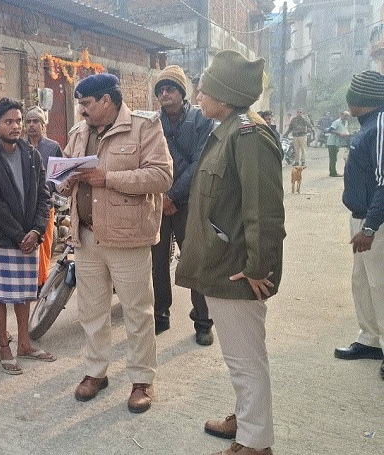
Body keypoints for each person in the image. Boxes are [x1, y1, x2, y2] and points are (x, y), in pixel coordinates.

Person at [176, 50, 285, 455]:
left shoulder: (249, 137)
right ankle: (248, 419)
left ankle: (256, 444)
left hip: (239, 269)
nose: (199, 94)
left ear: (225, 94)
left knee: (246, 358)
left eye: (205, 88)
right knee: (240, 356)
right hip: (224, 263)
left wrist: (258, 266)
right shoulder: (229, 129)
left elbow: (265, 210)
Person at [62, 73, 172, 412]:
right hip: (86, 236)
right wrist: (63, 178)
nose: (81, 112)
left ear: (107, 101)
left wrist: (107, 178)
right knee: (91, 310)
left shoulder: (144, 127)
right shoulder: (79, 132)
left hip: (128, 237)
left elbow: (162, 175)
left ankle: (142, 379)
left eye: (86, 105)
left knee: (137, 311)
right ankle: (96, 372)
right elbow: (65, 171)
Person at [0, 98, 55, 376]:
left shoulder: (31, 154)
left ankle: (24, 344)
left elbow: (44, 197)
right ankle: (4, 348)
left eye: (18, 121)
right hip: (4, 237)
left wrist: (36, 231)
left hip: (30, 237)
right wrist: (20, 234)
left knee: (24, 294)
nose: (16, 126)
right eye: (8, 121)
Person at [150, 65, 215, 346]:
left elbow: (201, 162)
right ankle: (160, 314)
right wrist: (161, 197)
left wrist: (173, 196)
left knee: (195, 261)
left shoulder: (201, 120)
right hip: (157, 200)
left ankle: (202, 321)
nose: (165, 94)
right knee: (157, 261)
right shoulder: (152, 123)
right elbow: (148, 161)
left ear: (182, 92)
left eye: (170, 89)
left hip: (189, 201)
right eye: (161, 90)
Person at [333, 71, 384, 381]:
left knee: (380, 284)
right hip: (361, 216)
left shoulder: (379, 127)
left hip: (375, 221)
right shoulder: (367, 126)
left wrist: (369, 228)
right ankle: (370, 338)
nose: (348, 100)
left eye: (352, 95)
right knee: (362, 280)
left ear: (362, 100)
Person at [24, 106, 63, 287]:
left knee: (45, 243)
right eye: (29, 121)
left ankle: (41, 283)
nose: (31, 125)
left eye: (36, 122)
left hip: (46, 204)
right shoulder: (19, 146)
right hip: (23, 204)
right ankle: (27, 281)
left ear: (43, 125)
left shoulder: (52, 147)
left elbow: (61, 176)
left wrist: (49, 190)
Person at [326, 111, 351, 177]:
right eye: (345, 116)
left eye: (348, 116)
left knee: (335, 158)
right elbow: (330, 130)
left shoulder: (346, 122)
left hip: (337, 143)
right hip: (332, 142)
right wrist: (340, 134)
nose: (346, 117)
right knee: (333, 158)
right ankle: (333, 173)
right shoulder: (336, 122)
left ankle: (333, 171)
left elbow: (345, 130)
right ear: (341, 115)